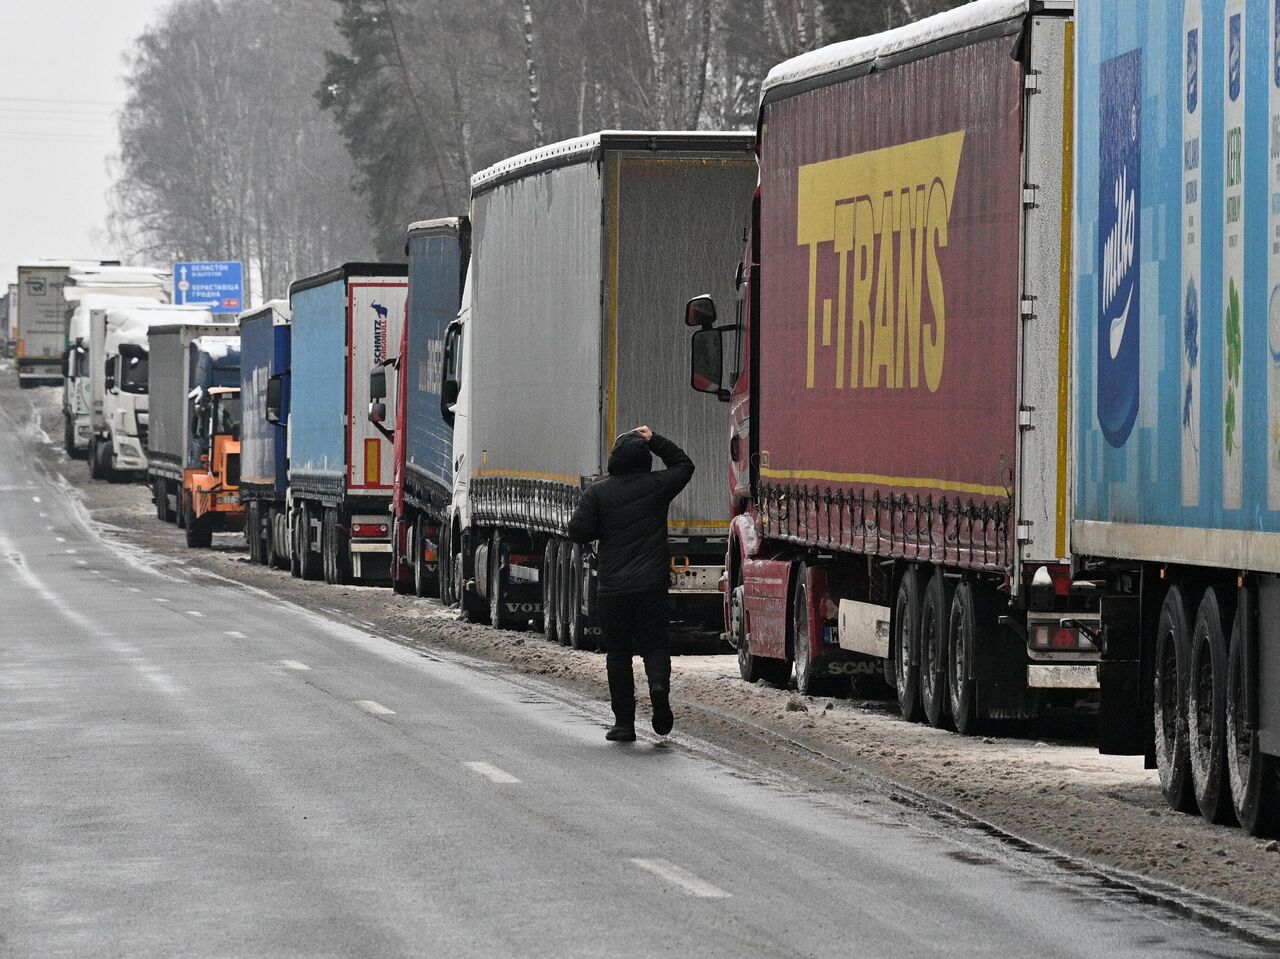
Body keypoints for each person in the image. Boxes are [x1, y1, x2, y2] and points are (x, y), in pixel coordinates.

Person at [568, 425, 694, 742]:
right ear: (645, 459)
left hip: (613, 590)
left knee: (618, 655)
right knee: (655, 646)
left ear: (614, 461)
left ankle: (624, 724)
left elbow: (577, 531)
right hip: (651, 585)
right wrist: (656, 441)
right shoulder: (657, 485)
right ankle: (658, 688)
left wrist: (601, 529)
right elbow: (684, 465)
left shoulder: (597, 492)